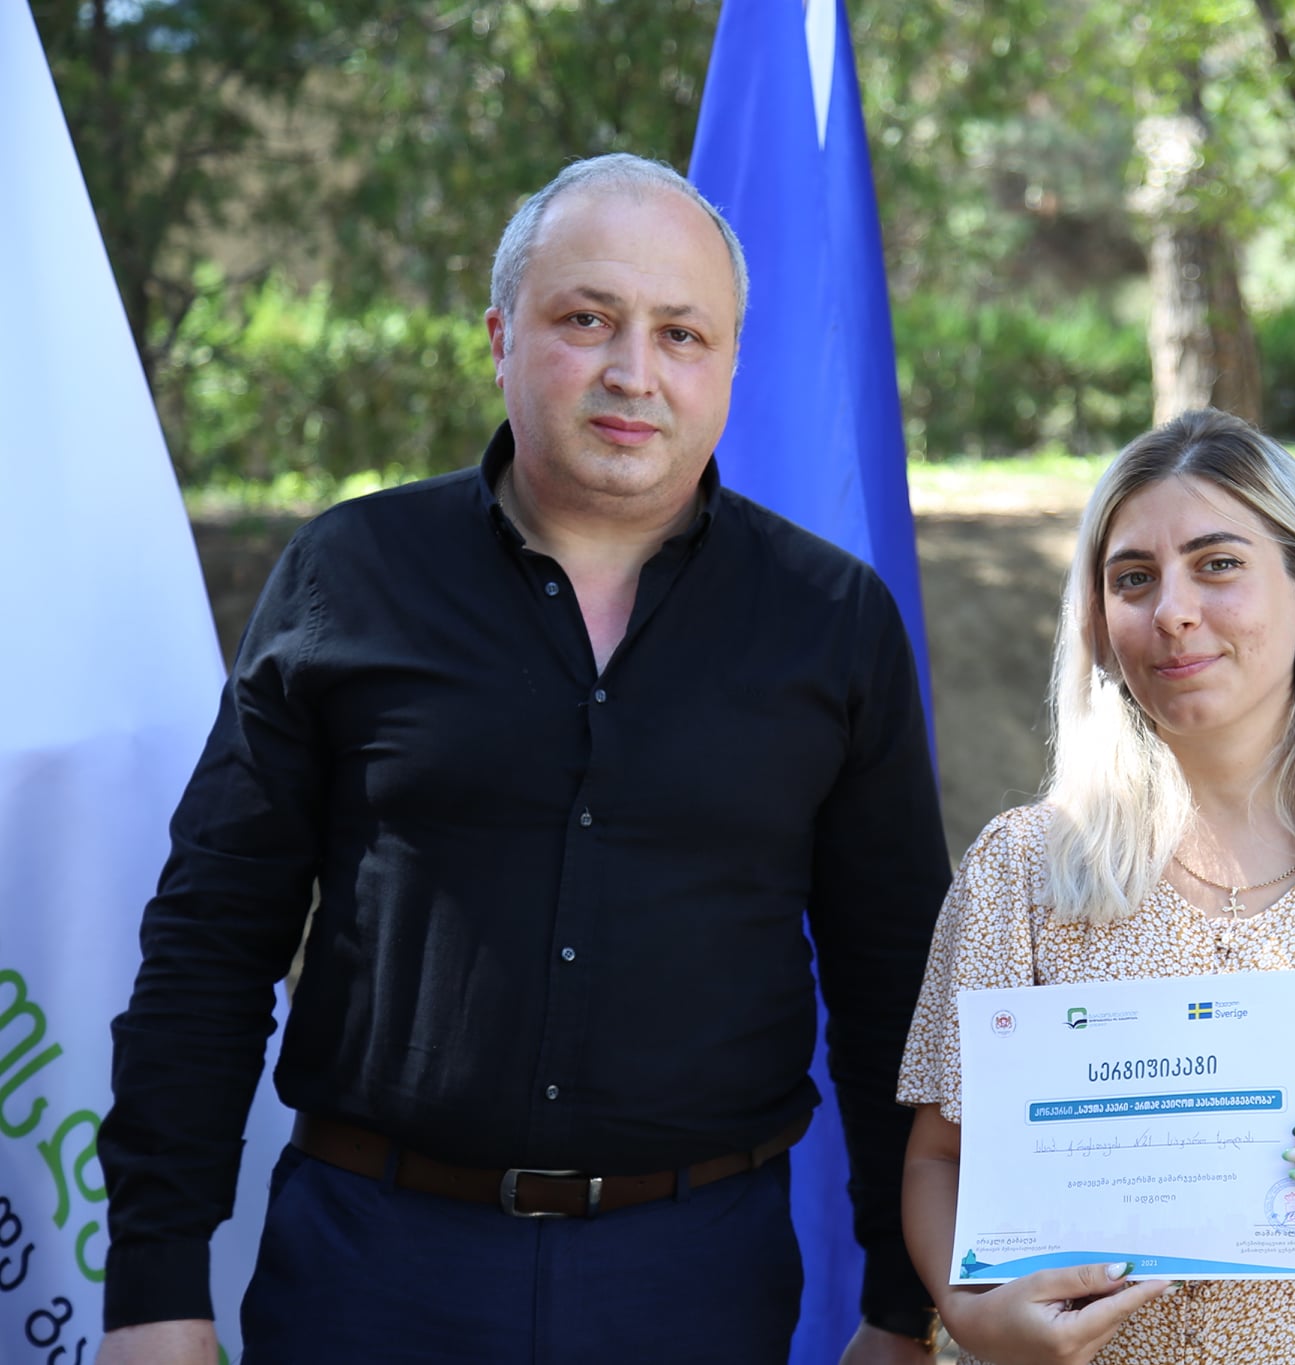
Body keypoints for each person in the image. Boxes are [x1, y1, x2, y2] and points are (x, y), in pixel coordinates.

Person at [98, 153, 950, 1363]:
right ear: (501, 338)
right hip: (371, 1274)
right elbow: (212, 937)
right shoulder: (351, 575)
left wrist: (901, 1309)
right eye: (586, 319)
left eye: (680, 334)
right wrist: (154, 1285)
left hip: (694, 1285)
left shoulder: (831, 621)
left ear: (728, 368)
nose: (632, 372)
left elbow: (893, 989)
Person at [896, 409, 1295, 1364]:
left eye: (1217, 564)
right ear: (1099, 620)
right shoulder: (1022, 870)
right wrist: (973, 1316)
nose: (1172, 610)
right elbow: (939, 1157)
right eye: (1133, 577)